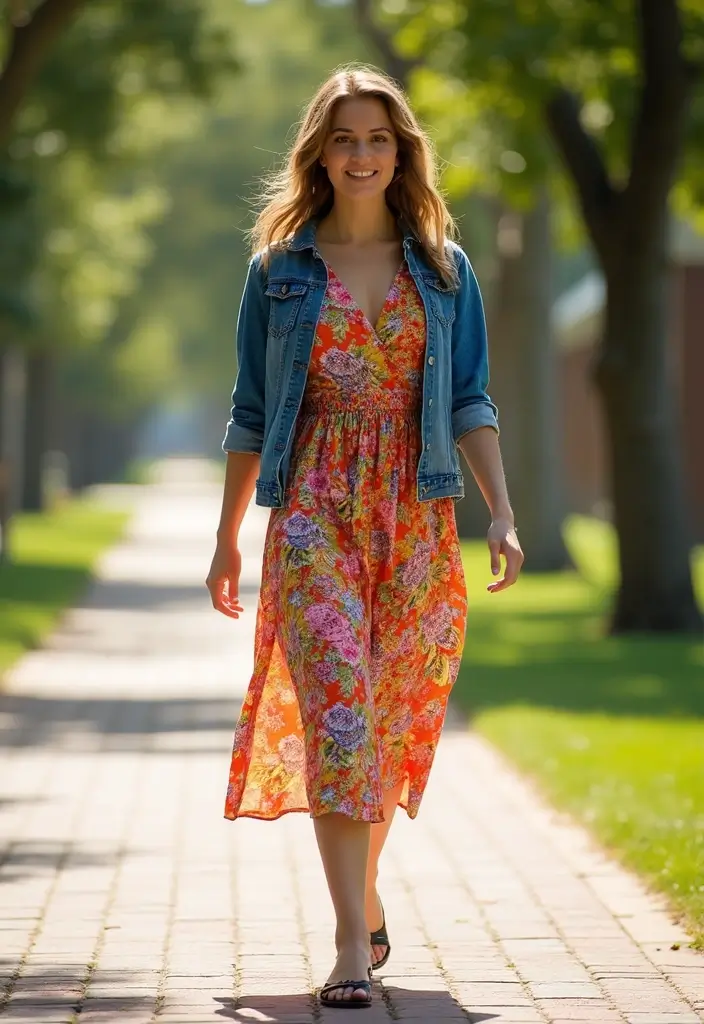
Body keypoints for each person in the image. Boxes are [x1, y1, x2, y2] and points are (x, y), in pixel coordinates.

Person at [206, 64, 524, 1010]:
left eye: (378, 138)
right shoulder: (279, 273)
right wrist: (227, 539)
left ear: (401, 152)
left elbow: (469, 396)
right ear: (320, 150)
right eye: (344, 137)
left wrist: (501, 509)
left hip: (418, 518)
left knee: (382, 730)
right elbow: (250, 412)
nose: (361, 154)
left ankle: (366, 897)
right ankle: (351, 943)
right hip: (312, 516)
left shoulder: (444, 269)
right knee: (340, 717)